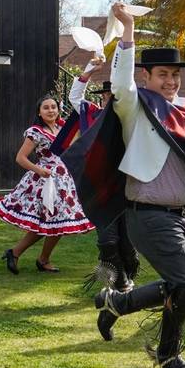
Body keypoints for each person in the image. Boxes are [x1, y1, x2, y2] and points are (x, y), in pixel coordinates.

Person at [94, 1, 185, 368]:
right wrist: (127, 31)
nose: (171, 81)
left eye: (175, 75)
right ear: (147, 77)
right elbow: (121, 83)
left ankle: (117, 303)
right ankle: (167, 356)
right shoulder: (136, 107)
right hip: (148, 214)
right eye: (163, 74)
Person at [0, 94, 94, 274]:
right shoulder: (36, 132)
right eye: (46, 107)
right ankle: (20, 254)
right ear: (39, 112)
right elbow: (20, 158)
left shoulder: (64, 127)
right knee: (49, 222)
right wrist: (39, 171)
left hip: (64, 181)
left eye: (53, 107)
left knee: (59, 222)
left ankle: (36, 257)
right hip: (44, 181)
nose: (50, 110)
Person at [69, 58, 139, 292]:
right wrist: (87, 72)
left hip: (126, 183)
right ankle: (118, 281)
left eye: (114, 95)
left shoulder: (131, 117)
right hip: (99, 185)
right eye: (107, 95)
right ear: (102, 98)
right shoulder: (91, 114)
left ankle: (126, 273)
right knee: (108, 240)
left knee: (128, 242)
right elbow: (75, 98)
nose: (110, 98)